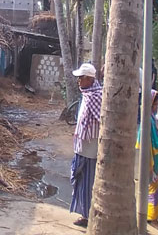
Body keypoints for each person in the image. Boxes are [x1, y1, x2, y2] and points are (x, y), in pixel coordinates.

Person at [69, 63, 102, 228]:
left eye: (81, 78)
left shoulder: (97, 97)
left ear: (89, 79)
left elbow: (103, 120)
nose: (79, 81)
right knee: (80, 181)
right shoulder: (87, 95)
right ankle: (84, 213)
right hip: (82, 147)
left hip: (90, 150)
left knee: (88, 183)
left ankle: (88, 215)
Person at [136, 89, 158, 224]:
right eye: (154, 105)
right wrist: (150, 166)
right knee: (154, 190)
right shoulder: (147, 121)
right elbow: (146, 145)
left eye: (157, 105)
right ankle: (152, 217)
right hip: (152, 160)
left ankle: (154, 217)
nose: (156, 107)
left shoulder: (153, 118)